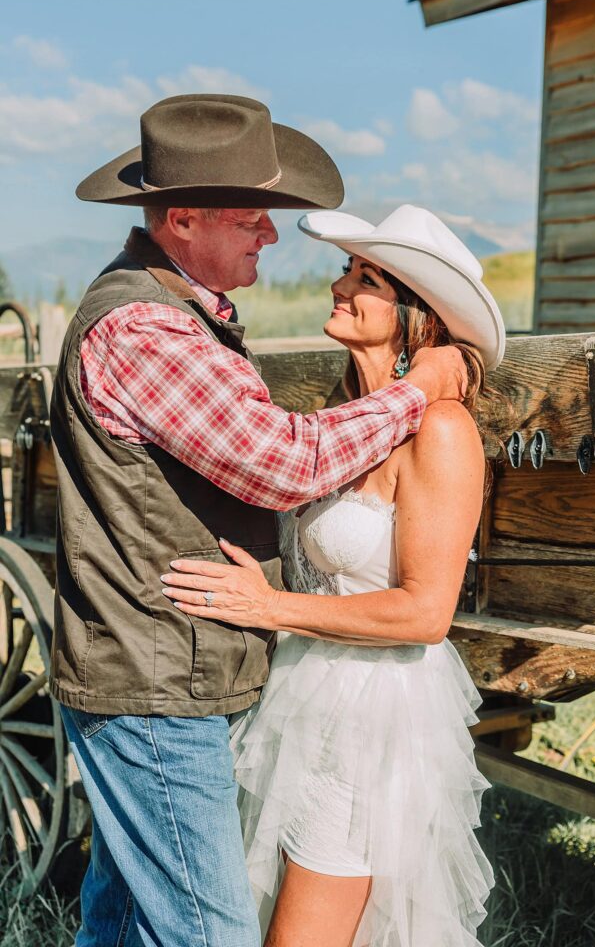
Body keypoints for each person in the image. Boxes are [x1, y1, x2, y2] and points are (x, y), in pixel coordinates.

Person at [50, 95, 469, 947]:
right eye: (251, 220)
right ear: (182, 219)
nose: (274, 240)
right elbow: (287, 466)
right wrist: (417, 389)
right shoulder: (145, 327)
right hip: (155, 679)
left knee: (128, 915)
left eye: (368, 275)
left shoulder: (187, 317)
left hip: (200, 674)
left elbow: (422, 599)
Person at [162, 204, 506, 947]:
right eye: (348, 268)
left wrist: (270, 606)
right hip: (312, 688)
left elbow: (425, 613)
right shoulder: (346, 418)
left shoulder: (441, 431)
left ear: (416, 316)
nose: (338, 284)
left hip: (372, 710)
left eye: (367, 277)